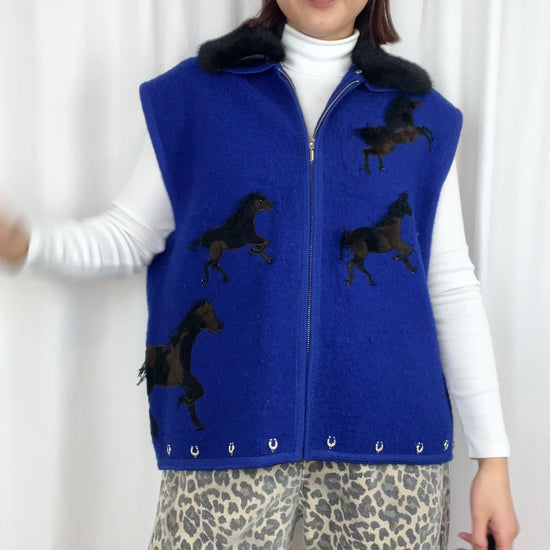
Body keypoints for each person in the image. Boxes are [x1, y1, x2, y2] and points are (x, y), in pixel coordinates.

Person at [0, 1, 519, 549]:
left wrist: (493, 460)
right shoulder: (198, 98)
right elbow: (130, 235)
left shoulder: (421, 115)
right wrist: (26, 244)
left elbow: (450, 287)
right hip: (229, 434)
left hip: (390, 448)